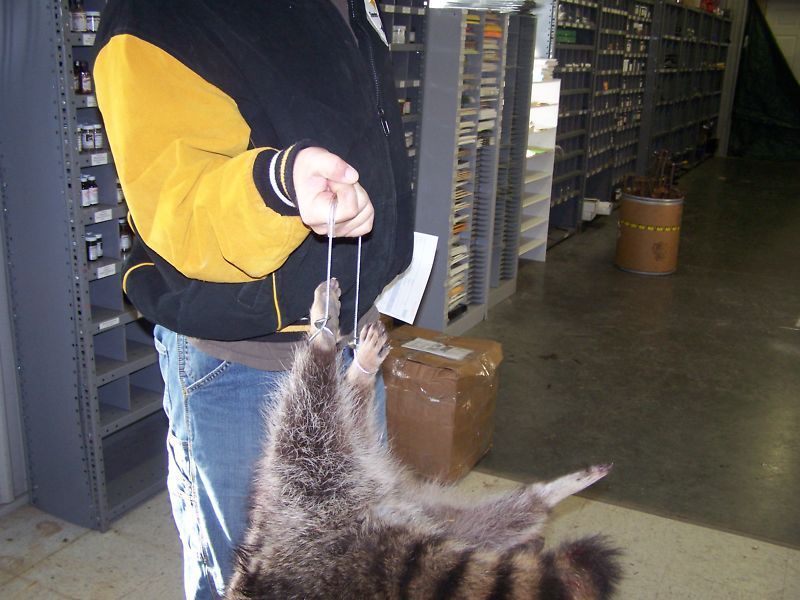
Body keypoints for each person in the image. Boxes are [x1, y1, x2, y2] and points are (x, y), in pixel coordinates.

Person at [93, 1, 414, 597]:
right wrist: (280, 185)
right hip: (246, 365)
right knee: (261, 580)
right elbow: (177, 201)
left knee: (354, 566)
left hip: (349, 340)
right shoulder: (159, 13)